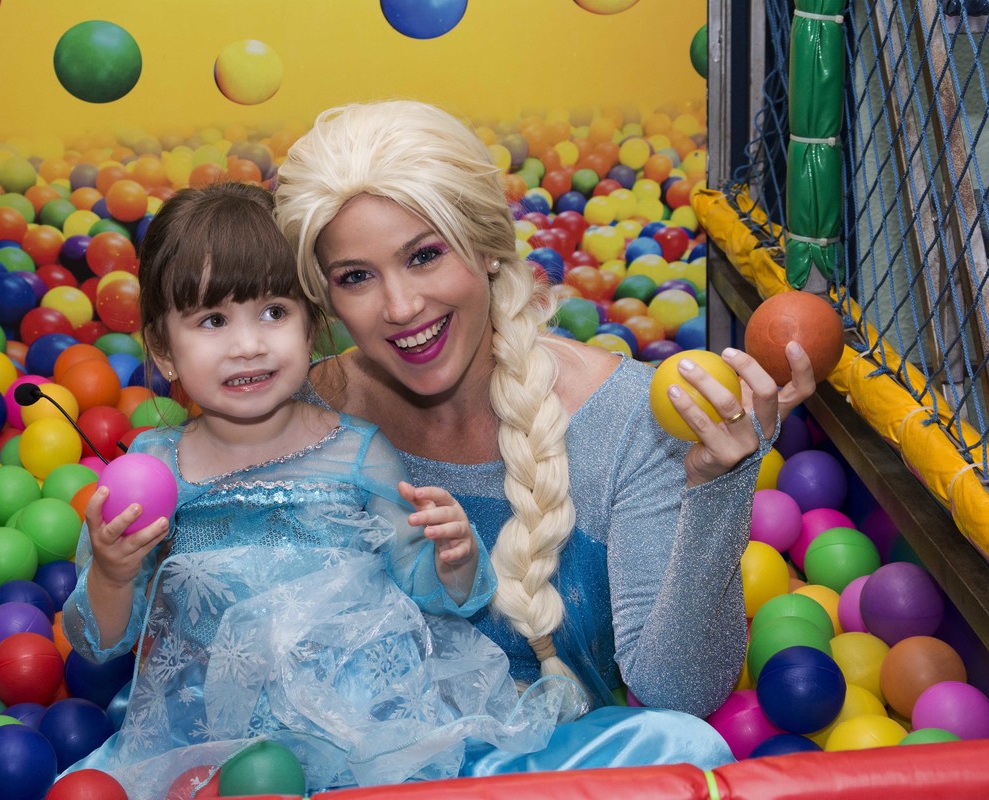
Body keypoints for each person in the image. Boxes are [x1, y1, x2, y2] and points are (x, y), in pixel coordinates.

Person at [273, 99, 818, 774]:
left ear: (488, 249)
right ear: (326, 298)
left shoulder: (627, 417)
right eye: (356, 277)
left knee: (687, 748)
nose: (402, 307)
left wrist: (719, 488)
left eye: (425, 256)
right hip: (365, 777)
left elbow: (679, 695)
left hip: (565, 772)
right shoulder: (298, 421)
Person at [61, 183, 581, 799]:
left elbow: (426, 590)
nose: (248, 345)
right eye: (212, 321)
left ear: (312, 326)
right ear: (163, 351)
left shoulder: (356, 450)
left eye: (274, 312)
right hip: (204, 740)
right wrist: (114, 574)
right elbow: (100, 642)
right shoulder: (155, 467)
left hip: (355, 732)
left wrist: (456, 559)